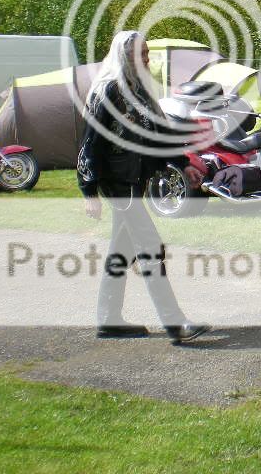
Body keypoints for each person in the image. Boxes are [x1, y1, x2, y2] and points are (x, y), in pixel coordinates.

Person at [78, 30, 211, 342]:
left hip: (136, 181)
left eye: (147, 54)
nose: (147, 60)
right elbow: (91, 144)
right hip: (117, 184)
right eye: (141, 55)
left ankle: (109, 319)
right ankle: (175, 323)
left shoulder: (140, 92)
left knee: (121, 251)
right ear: (124, 57)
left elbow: (158, 135)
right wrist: (89, 191)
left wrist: (184, 163)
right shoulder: (108, 91)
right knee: (150, 247)